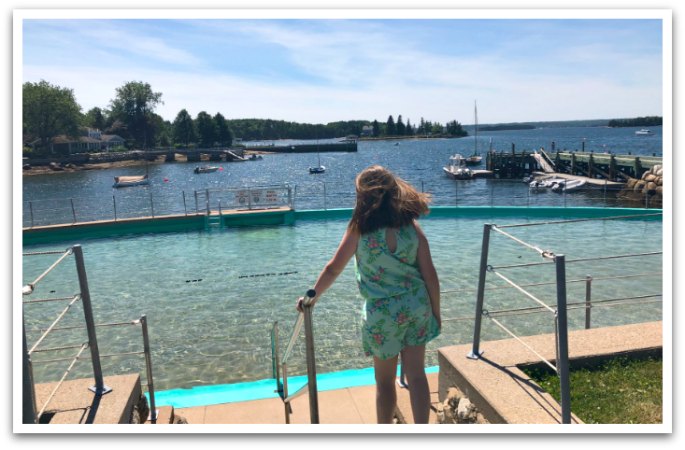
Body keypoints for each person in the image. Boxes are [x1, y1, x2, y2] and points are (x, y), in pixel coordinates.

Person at [296, 165, 441, 424]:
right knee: (417, 376)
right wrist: (436, 313)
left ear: (363, 196)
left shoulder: (359, 229)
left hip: (382, 314)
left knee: (384, 383)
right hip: (417, 305)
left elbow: (333, 268)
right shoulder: (411, 227)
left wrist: (313, 297)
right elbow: (431, 276)